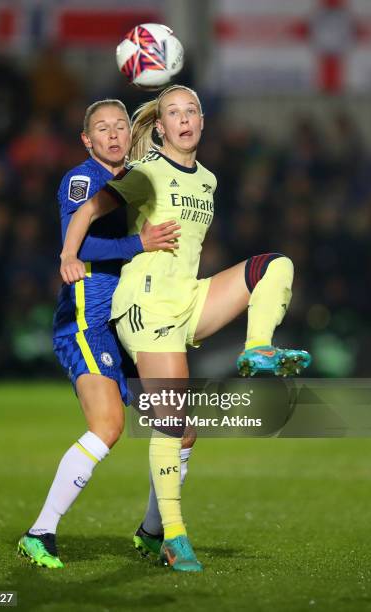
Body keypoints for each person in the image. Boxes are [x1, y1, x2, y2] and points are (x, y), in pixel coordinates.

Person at [60, 85, 311, 572]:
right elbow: (88, 211)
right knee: (172, 422)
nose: (184, 118)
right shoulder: (147, 171)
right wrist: (70, 254)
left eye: (191, 110)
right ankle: (173, 536)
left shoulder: (209, 180)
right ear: (161, 126)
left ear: (202, 121)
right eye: (173, 112)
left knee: (273, 266)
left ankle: (257, 348)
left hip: (188, 298)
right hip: (147, 307)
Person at [17, 99, 180, 569]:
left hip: (132, 321)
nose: (113, 134)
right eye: (102, 129)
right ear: (87, 141)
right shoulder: (83, 180)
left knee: (180, 430)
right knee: (108, 426)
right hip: (88, 321)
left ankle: (152, 533)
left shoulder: (136, 178)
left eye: (120, 126)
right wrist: (139, 242)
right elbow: (80, 241)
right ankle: (40, 532)